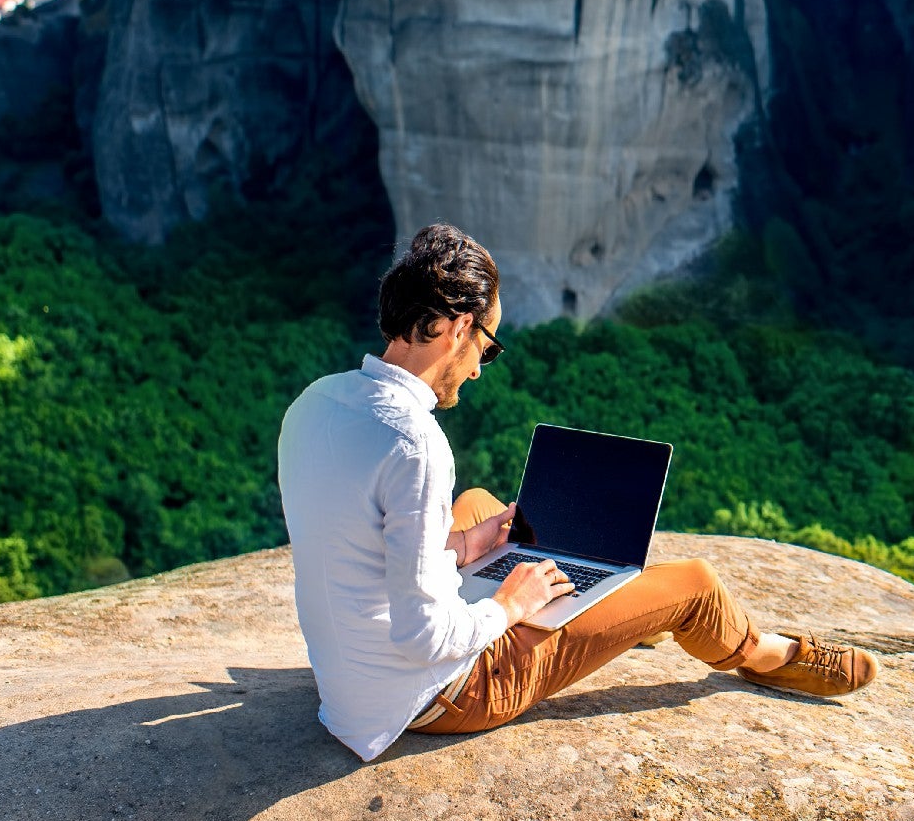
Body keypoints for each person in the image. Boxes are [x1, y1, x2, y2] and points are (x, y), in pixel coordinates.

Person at [276, 222, 874, 760]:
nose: (482, 367)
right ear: (459, 327)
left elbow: (361, 548)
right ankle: (766, 654)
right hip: (436, 696)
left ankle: (608, 611)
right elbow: (424, 637)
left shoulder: (315, 402)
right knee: (695, 585)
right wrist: (510, 606)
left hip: (349, 683)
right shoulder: (416, 442)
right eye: (487, 346)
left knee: (488, 512)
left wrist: (460, 548)